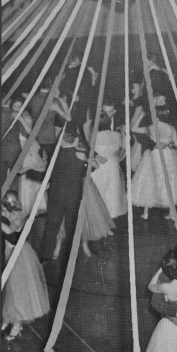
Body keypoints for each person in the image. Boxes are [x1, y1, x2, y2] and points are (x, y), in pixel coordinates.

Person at [41, 122, 99, 267]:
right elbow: (94, 166)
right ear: (74, 140)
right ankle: (71, 258)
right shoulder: (78, 159)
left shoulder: (55, 156)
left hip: (55, 196)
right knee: (72, 227)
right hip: (72, 199)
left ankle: (45, 257)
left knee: (51, 227)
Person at [2, 190, 50, 341]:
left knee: (18, 292)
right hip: (8, 254)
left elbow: (10, 230)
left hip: (19, 257)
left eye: (6, 204)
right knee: (9, 291)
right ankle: (8, 319)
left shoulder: (18, 218)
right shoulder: (7, 215)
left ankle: (17, 325)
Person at [130, 104, 177, 221]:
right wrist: (168, 144)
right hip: (167, 156)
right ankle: (171, 213)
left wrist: (140, 117)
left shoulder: (151, 127)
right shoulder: (171, 128)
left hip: (154, 155)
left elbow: (133, 129)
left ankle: (146, 212)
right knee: (168, 180)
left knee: (148, 179)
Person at [90, 111, 127, 220]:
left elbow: (90, 150)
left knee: (98, 189)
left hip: (98, 165)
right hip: (112, 165)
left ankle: (98, 217)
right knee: (111, 190)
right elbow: (124, 149)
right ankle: (110, 216)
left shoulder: (94, 135)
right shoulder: (116, 135)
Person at [28, 78, 71, 162]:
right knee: (50, 160)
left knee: (38, 158)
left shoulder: (32, 97)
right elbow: (68, 118)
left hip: (35, 132)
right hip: (48, 135)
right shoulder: (54, 101)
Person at [1, 95, 32, 188]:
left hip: (14, 151)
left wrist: (20, 119)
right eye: (15, 106)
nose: (17, 109)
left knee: (13, 178)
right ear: (10, 104)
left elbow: (30, 132)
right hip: (8, 151)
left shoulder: (22, 116)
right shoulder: (7, 114)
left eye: (19, 106)